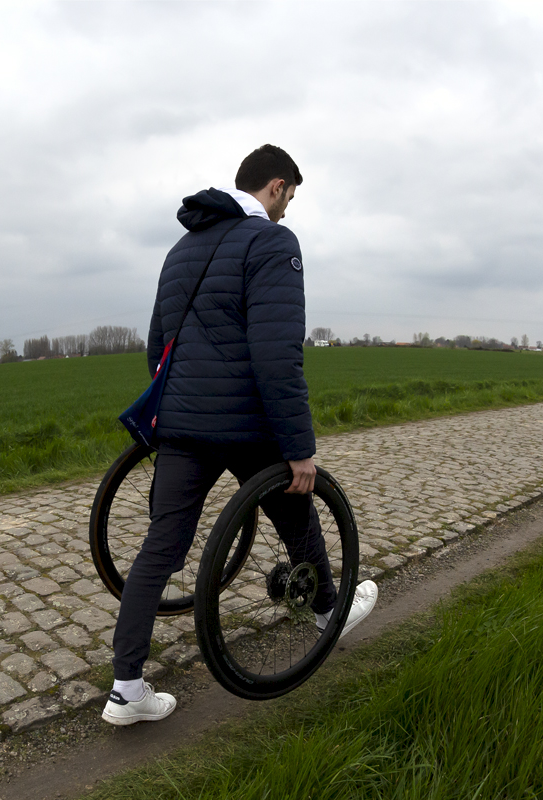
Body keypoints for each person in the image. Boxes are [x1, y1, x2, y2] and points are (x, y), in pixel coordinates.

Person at [102, 144, 378, 726]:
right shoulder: (272, 243)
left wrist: (180, 409)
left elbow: (158, 348)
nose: (288, 213)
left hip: (181, 425)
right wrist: (299, 449)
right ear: (276, 187)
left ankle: (125, 689)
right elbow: (278, 355)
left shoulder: (181, 249)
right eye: (291, 199)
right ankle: (330, 609)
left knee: (160, 548)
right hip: (247, 424)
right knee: (300, 508)